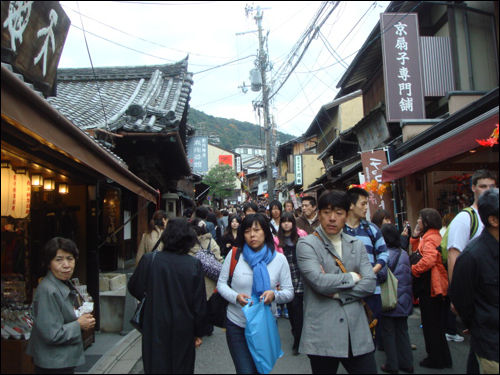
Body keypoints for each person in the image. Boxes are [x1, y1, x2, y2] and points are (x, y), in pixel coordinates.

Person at [297, 190, 377, 374]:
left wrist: (338, 293)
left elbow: (370, 283)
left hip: (356, 331)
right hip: (323, 332)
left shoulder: (356, 244)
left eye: (339, 213)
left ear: (346, 215)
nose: (332, 218)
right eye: (327, 212)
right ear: (319, 214)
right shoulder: (307, 244)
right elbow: (319, 282)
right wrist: (354, 277)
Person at [217, 214, 294, 374]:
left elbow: (289, 292)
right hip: (237, 323)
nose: (252, 235)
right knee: (245, 370)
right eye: (247, 231)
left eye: (257, 230)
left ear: (265, 232)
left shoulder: (279, 259)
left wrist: (274, 295)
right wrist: (235, 297)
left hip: (264, 324)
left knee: (261, 370)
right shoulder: (235, 255)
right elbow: (221, 284)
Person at [128, 218, 207, 374]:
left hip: (154, 323)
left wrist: (151, 296)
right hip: (184, 325)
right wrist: (198, 332)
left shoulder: (150, 260)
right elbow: (199, 304)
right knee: (181, 367)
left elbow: (134, 287)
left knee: (155, 365)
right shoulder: (193, 264)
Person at [27, 237, 96, 374]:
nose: (66, 265)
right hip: (53, 363)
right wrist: (79, 324)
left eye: (70, 259)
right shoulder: (48, 289)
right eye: (59, 260)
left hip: (60, 360)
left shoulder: (62, 284)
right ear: (49, 263)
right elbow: (52, 334)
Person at [446, 170, 497, 352]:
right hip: (478, 294)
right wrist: (456, 296)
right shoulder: (465, 218)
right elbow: (454, 257)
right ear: (473, 188)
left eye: (492, 186)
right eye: (483, 186)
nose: (488, 190)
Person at [344, 187, 389, 349]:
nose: (366, 207)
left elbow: (384, 254)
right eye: (363, 204)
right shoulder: (338, 230)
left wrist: (371, 271)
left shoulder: (371, 229)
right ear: (350, 205)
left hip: (372, 291)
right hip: (346, 291)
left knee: (371, 333)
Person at [410, 208, 452, 370]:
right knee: (438, 325)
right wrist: (415, 235)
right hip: (439, 285)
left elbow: (427, 259)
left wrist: (413, 270)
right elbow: (416, 251)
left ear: (427, 221)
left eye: (420, 219)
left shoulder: (429, 238)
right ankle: (444, 358)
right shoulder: (434, 235)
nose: (418, 222)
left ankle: (435, 359)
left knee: (431, 325)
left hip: (432, 287)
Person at [378, 224, 414, 375]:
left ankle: (392, 365)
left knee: (389, 333)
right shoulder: (404, 253)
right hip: (404, 299)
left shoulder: (386, 255)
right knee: (403, 332)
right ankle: (407, 364)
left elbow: (382, 275)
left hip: (390, 298)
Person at [273, 211, 308, 355]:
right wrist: (277, 282)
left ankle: (302, 338)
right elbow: (274, 261)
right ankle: (297, 336)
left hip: (302, 274)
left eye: (289, 221)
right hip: (287, 276)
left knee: (300, 307)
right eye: (283, 221)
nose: (286, 224)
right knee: (293, 308)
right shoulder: (276, 240)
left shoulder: (302, 235)